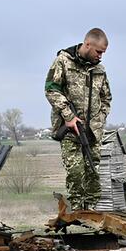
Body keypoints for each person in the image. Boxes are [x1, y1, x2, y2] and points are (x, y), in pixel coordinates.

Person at [45, 27, 112, 210]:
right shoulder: (63, 61)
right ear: (87, 44)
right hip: (69, 131)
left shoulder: (99, 69)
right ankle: (77, 210)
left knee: (92, 173)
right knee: (75, 173)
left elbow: (106, 98)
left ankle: (91, 211)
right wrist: (69, 116)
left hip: (92, 132)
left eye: (103, 53)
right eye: (98, 51)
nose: (100, 56)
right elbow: (51, 89)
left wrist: (99, 120)